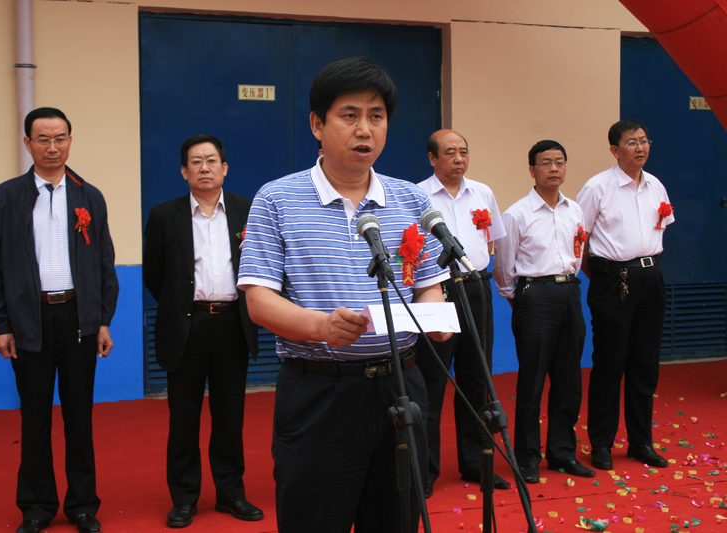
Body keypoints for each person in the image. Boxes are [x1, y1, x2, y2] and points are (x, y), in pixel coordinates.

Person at [237, 57, 450, 532]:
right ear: (318, 124)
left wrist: (433, 318)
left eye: (376, 116)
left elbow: (428, 284)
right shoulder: (276, 199)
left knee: (396, 519)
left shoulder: (411, 200)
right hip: (320, 393)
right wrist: (322, 326)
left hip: (401, 384)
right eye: (349, 115)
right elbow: (259, 300)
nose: (364, 129)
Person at [0, 107, 119, 533]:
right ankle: (36, 507)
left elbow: (105, 264)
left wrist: (103, 320)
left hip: (79, 320)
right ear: (28, 144)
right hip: (29, 321)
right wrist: (0, 325)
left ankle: (82, 506)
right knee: (34, 418)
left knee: (79, 418)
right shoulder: (4, 198)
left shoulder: (89, 197)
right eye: (43, 139)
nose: (52, 147)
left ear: (70, 141)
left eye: (60, 138)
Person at [143, 134, 262, 527]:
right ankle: (184, 499)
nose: (204, 168)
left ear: (224, 168)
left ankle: (231, 494)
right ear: (184, 171)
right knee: (184, 418)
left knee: (230, 416)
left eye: (211, 160)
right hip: (187, 325)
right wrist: (182, 306)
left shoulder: (248, 211)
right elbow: (155, 275)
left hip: (232, 324)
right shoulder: (164, 215)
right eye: (196, 162)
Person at [493, 140, 595, 483]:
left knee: (569, 381)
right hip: (534, 296)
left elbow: (578, 253)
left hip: (570, 292)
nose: (554, 168)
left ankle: (562, 453)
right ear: (532, 169)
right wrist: (522, 300)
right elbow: (504, 269)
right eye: (546, 162)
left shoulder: (575, 210)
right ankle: (527, 458)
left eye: (560, 162)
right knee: (532, 382)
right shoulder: (517, 213)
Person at [416, 130, 510, 495]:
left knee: (477, 379)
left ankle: (475, 464)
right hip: (436, 292)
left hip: (476, 287)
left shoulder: (482, 193)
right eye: (450, 152)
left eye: (464, 152)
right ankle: (425, 470)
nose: (459, 159)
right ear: (432, 158)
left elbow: (493, 240)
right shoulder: (416, 195)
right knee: (432, 380)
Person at [577, 119, 674, 470]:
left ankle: (640, 442)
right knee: (610, 363)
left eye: (644, 141)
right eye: (632, 142)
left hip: (651, 278)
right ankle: (601, 443)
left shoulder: (655, 185)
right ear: (615, 150)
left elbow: (660, 230)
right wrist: (602, 277)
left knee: (644, 365)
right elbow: (579, 239)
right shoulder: (597, 187)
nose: (640, 147)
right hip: (613, 280)